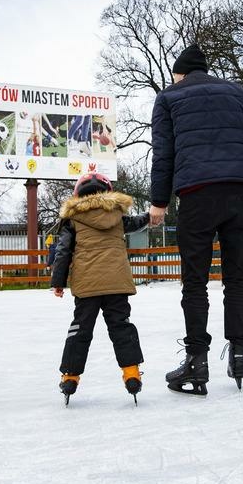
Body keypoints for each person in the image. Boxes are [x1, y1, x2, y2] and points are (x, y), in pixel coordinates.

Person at [149, 43, 243, 396]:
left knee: (195, 282)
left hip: (197, 195)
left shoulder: (169, 97)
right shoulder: (235, 92)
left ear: (181, 73)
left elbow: (164, 152)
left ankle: (197, 361)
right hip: (237, 194)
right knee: (236, 279)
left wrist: (159, 201)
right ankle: (239, 354)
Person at [51, 172, 150, 405]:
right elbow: (137, 223)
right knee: (121, 327)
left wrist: (58, 281)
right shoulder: (117, 215)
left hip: (87, 285)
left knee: (80, 329)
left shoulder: (73, 220)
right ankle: (131, 373)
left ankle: (70, 377)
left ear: (77, 195)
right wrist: (150, 216)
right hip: (116, 283)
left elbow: (63, 252)